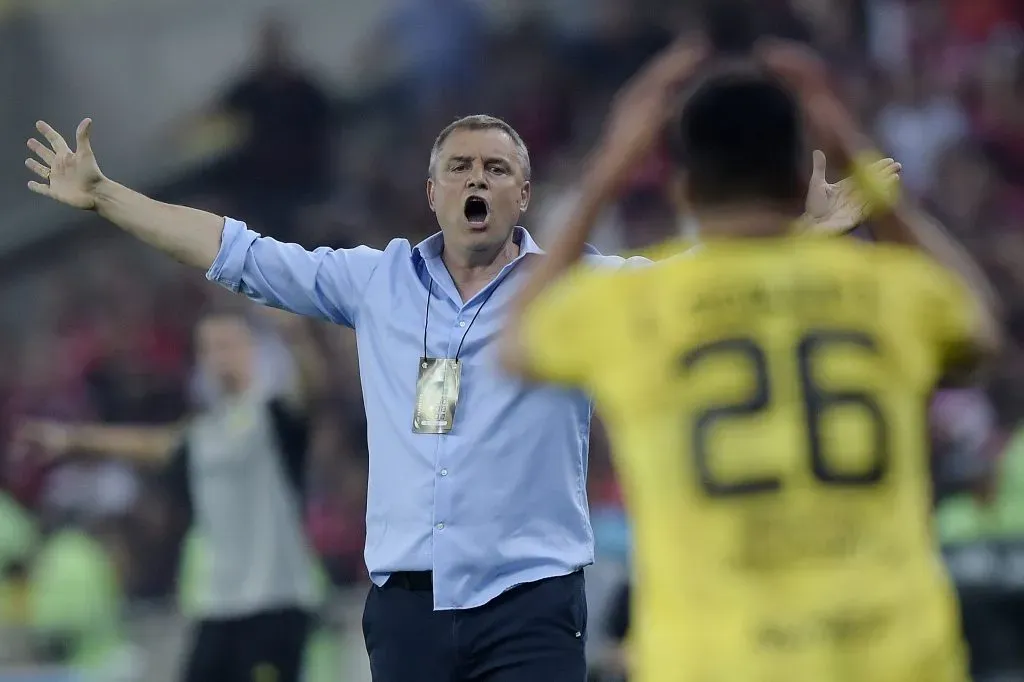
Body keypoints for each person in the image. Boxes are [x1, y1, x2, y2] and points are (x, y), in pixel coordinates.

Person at [25, 102, 891, 681]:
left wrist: (796, 236)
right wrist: (107, 198)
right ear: (432, 191)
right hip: (405, 608)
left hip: (531, 603)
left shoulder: (575, 288)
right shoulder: (375, 283)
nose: (477, 180)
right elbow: (238, 252)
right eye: (461, 167)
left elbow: (689, 281)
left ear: (524, 194)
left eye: (497, 169)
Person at [500, 39, 1002, 682]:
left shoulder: (637, 306)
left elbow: (517, 342)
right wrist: (857, 157)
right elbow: (978, 326)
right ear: (799, 177)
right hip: (891, 656)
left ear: (683, 188)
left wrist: (610, 163)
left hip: (718, 660)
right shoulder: (885, 290)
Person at [19, 308, 327, 682]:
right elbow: (152, 444)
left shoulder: (273, 416)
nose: (219, 356)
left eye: (227, 344)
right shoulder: (205, 431)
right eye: (209, 348)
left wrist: (296, 336)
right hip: (220, 603)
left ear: (251, 349)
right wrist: (70, 440)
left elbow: (313, 391)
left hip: (276, 601)